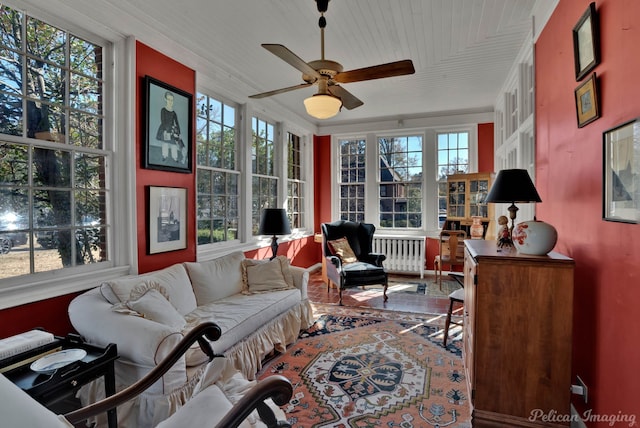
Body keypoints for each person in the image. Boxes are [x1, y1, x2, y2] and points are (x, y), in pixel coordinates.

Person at [156, 91, 187, 164]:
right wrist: (165, 130)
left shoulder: (174, 112)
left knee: (173, 144)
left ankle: (175, 157)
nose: (170, 102)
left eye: (172, 100)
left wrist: (179, 132)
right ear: (165, 99)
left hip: (172, 130)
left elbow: (177, 123)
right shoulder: (163, 110)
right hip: (165, 129)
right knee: (165, 143)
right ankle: (165, 155)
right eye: (169, 99)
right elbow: (163, 120)